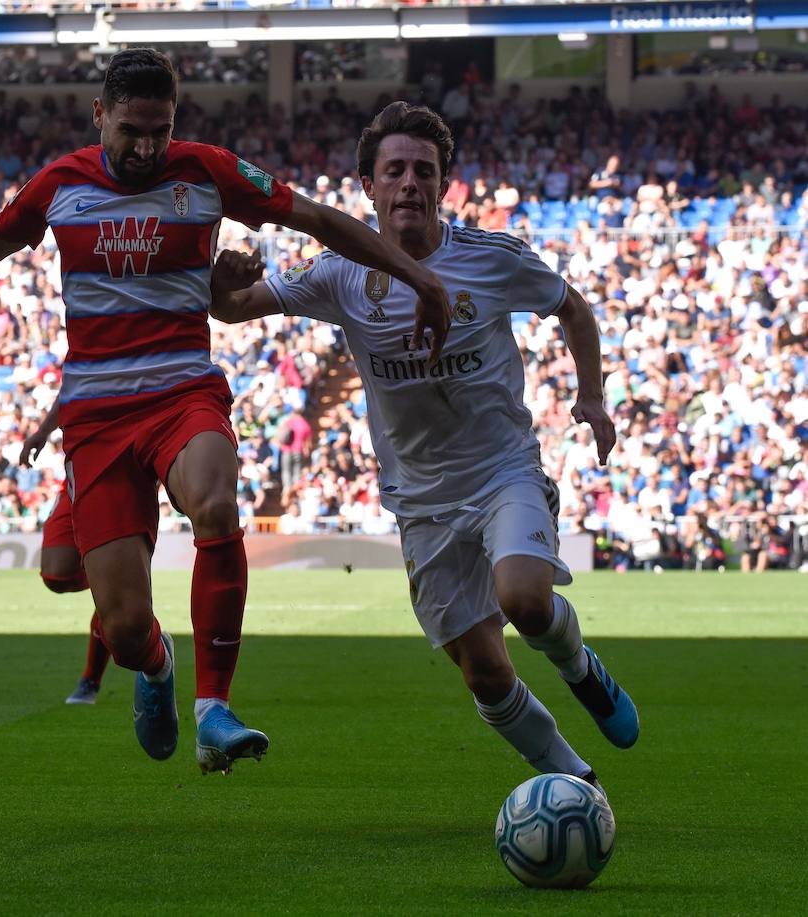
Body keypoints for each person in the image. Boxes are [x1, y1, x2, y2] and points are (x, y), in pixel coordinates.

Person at [0, 49, 451, 774]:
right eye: (132, 131)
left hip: (183, 390)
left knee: (215, 501)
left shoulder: (207, 170)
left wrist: (419, 277)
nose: (148, 147)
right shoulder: (61, 185)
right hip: (97, 415)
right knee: (124, 629)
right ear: (100, 116)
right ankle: (156, 664)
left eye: (161, 131)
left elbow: (319, 220)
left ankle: (214, 709)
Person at [206, 101, 639, 788]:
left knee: (526, 600)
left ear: (443, 185)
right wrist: (221, 284)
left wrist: (591, 394)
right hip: (421, 500)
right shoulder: (338, 273)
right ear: (369, 187)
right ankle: (575, 781)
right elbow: (232, 309)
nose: (409, 182)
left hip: (502, 472)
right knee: (484, 671)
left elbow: (572, 308)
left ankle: (580, 668)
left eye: (423, 171)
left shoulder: (490, 257)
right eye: (395, 171)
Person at [20, 400, 111, 706]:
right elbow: (72, 385)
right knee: (56, 574)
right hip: (75, 482)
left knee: (110, 597)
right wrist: (43, 432)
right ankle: (121, 586)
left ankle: (91, 679)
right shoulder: (85, 370)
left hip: (123, 479)